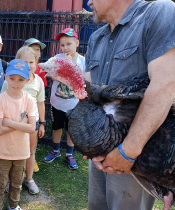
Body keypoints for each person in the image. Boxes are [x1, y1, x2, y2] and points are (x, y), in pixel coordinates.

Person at [84, 0, 175, 209]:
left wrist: (127, 152)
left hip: (138, 159)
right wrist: (92, 148)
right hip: (100, 156)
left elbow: (164, 86)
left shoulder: (158, 13)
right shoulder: (96, 38)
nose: (88, 2)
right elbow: (91, 99)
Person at [0, 59, 36, 210]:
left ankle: (13, 206)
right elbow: (0, 130)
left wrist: (9, 122)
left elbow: (32, 128)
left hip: (21, 152)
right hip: (2, 151)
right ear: (5, 77)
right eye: (12, 79)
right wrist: (22, 123)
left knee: (17, 183)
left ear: (27, 80)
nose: (16, 83)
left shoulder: (29, 100)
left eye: (21, 80)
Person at [1, 46, 45, 195]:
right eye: (24, 62)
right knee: (12, 152)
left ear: (36, 62)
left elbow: (40, 102)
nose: (28, 65)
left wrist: (43, 123)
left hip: (32, 124)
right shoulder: (9, 81)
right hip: (13, 124)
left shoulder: (38, 81)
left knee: (30, 151)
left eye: (31, 62)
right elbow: (2, 100)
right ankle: (9, 180)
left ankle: (29, 178)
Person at [43, 28, 85, 170]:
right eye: (62, 45)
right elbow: (51, 75)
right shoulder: (57, 59)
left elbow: (83, 80)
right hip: (58, 102)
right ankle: (55, 150)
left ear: (77, 43)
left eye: (69, 44)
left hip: (74, 104)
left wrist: (70, 67)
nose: (65, 48)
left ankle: (69, 154)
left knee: (71, 130)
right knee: (57, 126)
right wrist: (64, 66)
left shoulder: (82, 61)